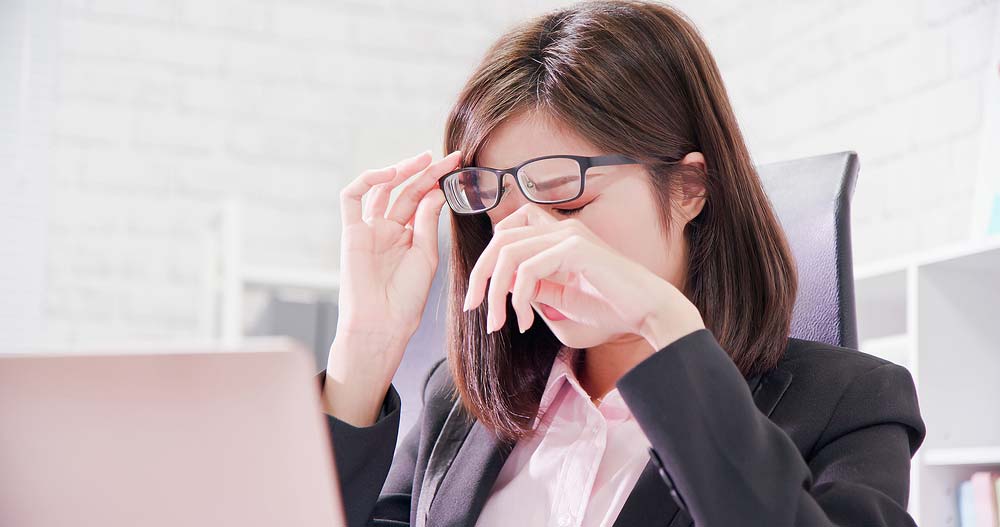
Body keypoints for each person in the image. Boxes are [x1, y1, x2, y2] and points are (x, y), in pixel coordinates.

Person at [317, 1, 926, 526]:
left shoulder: (853, 403)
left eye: (567, 199)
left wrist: (665, 327)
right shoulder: (460, 402)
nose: (524, 239)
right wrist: (365, 348)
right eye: (497, 206)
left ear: (689, 187)